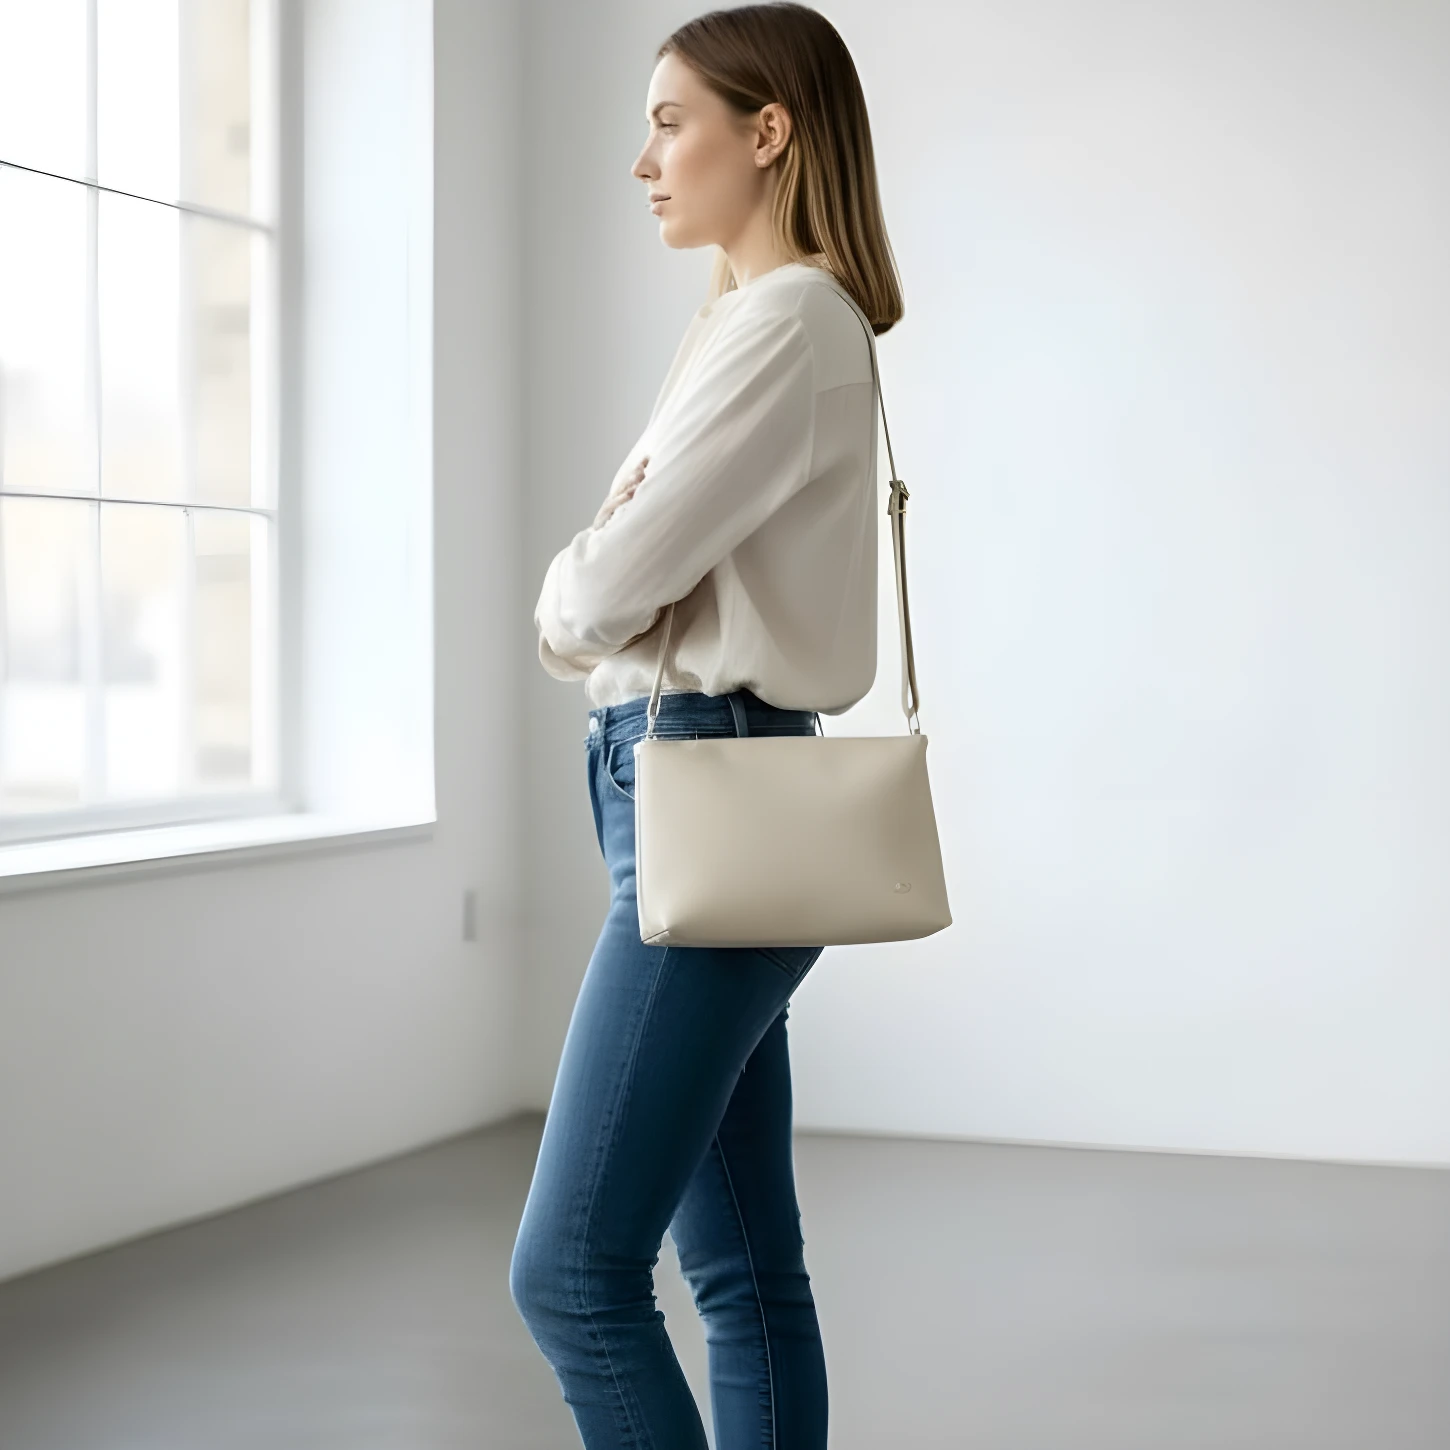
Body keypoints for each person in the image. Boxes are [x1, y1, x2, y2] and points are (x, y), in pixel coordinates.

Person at [510, 5, 903, 1445]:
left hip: (704, 777)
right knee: (741, 1270)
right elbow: (621, 577)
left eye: (671, 120)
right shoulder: (749, 322)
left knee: (569, 1272)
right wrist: (598, 578)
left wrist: (571, 582)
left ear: (768, 131)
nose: (643, 159)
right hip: (693, 782)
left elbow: (599, 587)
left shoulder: (790, 320)